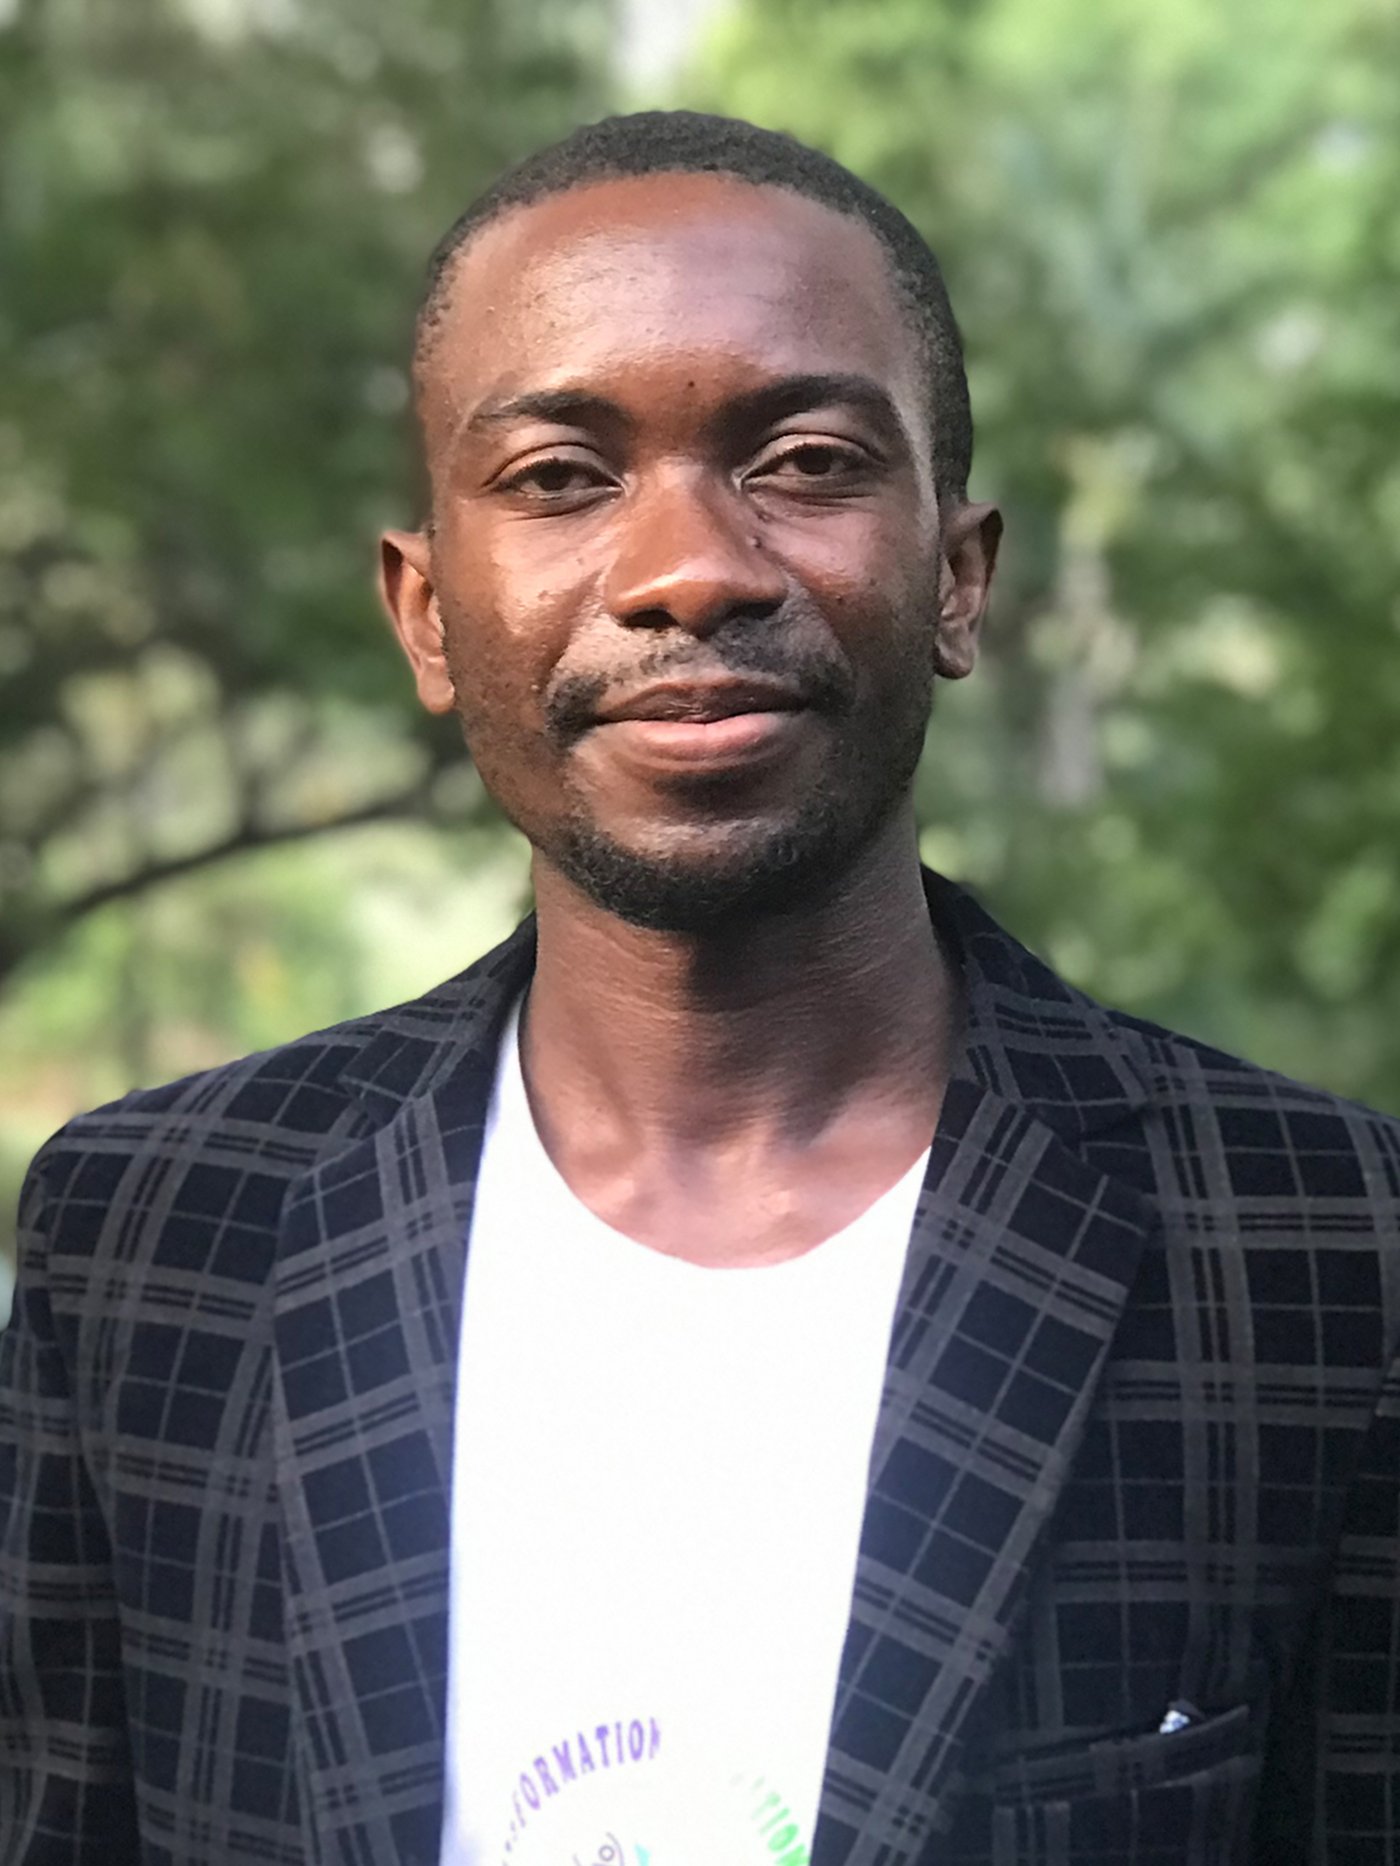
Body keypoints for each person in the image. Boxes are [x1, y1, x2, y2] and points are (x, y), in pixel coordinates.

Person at [2, 109, 1398, 1866]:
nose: (689, 569)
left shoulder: (1326, 1249)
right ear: (426, 613)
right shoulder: (155, 1240)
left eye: (806, 459)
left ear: (957, 577)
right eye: (561, 477)